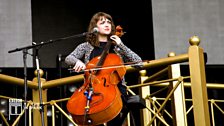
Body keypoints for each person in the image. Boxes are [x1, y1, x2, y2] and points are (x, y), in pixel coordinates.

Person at [65, 12, 142, 126]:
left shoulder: (117, 47)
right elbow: (69, 58)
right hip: (91, 92)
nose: (107, 25)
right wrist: (78, 62)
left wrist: (121, 45)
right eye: (102, 22)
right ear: (95, 28)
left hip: (116, 92)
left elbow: (139, 63)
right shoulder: (86, 46)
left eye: (109, 22)